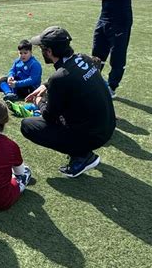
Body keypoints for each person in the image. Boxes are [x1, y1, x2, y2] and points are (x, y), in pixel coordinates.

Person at [20, 26, 116, 178]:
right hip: (108, 125)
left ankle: (81, 155)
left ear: (49, 52)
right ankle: (82, 150)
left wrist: (39, 101)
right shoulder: (83, 58)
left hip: (94, 135)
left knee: (28, 125)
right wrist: (45, 85)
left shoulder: (59, 79)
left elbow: (49, 117)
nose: (41, 52)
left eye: (42, 49)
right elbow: (69, 75)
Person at [91, 0, 138, 98]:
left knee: (117, 58)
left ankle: (111, 87)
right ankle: (93, 83)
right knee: (97, 55)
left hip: (120, 21)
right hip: (103, 19)